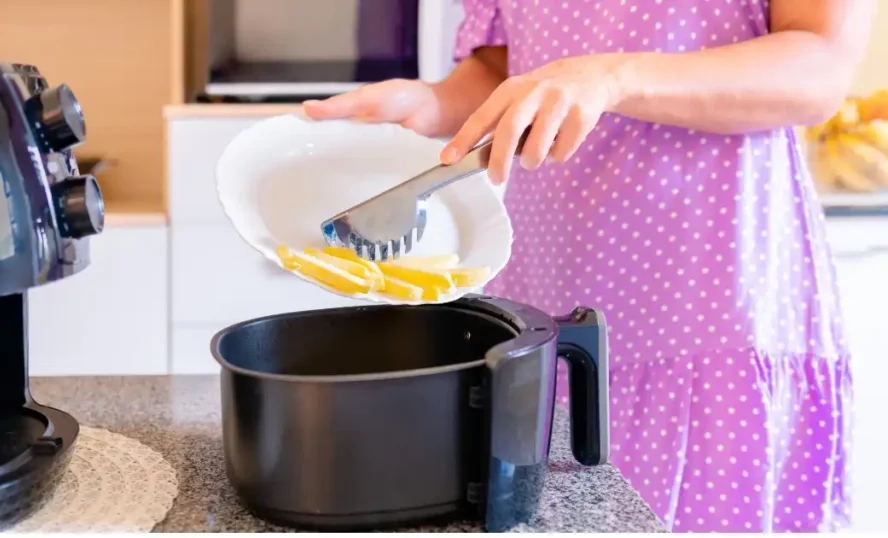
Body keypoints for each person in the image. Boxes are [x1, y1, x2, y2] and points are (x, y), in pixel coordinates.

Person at [302, 0, 875, 532]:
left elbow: (819, 67)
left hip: (710, 301)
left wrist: (612, 77)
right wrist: (430, 105)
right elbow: (508, 70)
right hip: (546, 296)